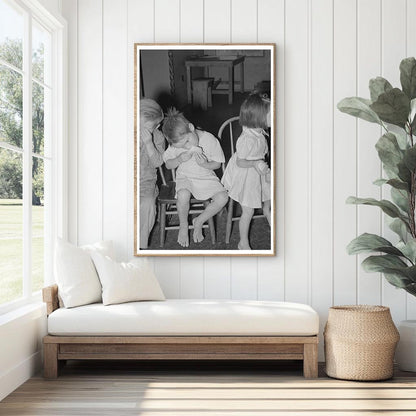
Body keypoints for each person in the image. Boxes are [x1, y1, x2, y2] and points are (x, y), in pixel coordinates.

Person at [162, 108, 228, 248]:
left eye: (187, 141)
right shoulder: (176, 143)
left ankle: (198, 221)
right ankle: (184, 225)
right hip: (185, 176)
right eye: (181, 146)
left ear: (191, 128)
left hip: (206, 175)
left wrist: (205, 164)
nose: (187, 146)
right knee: (183, 194)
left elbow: (217, 164)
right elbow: (168, 164)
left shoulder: (209, 139)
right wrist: (179, 159)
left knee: (223, 198)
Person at [221, 93, 271, 250]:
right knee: (248, 211)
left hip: (259, 171)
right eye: (271, 114)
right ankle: (243, 241)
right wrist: (256, 163)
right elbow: (240, 161)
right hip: (247, 175)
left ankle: (270, 217)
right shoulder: (247, 139)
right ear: (259, 118)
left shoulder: (260, 132)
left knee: (269, 200)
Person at [139, 98, 165, 249]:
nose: (158, 126)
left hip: (146, 182)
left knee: (147, 204)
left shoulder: (158, 136)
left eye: (156, 125)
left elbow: (158, 162)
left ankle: (140, 245)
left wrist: (149, 143)